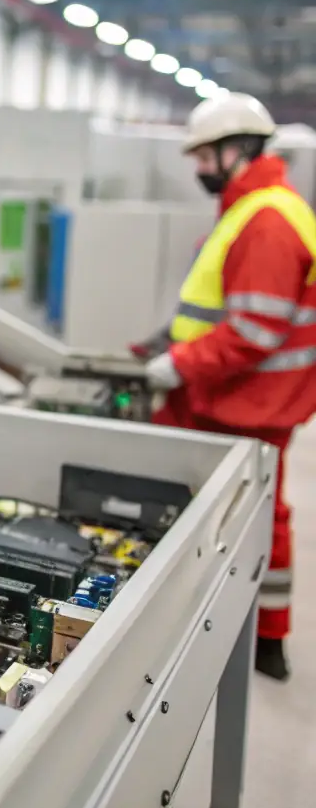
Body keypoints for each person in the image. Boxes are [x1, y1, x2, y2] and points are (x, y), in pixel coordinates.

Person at [138, 92, 316, 681]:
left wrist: (180, 366)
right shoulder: (254, 208)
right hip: (231, 394)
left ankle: (262, 640)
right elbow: (213, 305)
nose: (198, 168)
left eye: (204, 155)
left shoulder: (266, 220)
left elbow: (252, 331)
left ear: (236, 150)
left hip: (243, 401)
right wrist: (167, 341)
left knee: (251, 517)